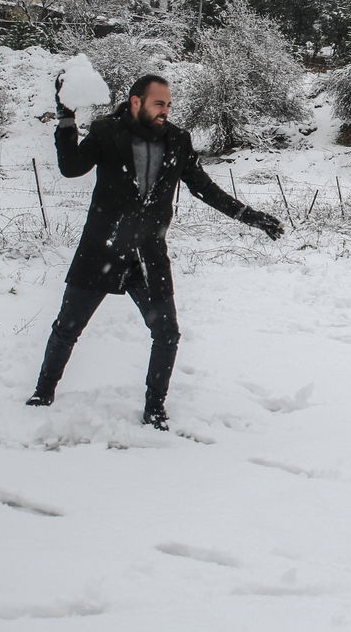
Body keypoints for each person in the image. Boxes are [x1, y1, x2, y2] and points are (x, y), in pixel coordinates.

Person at [25, 74, 286, 430]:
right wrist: (66, 118)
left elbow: (202, 187)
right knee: (67, 327)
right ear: (136, 101)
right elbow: (71, 168)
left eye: (168, 105)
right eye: (158, 103)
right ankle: (43, 392)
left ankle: (155, 408)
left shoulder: (178, 140)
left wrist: (249, 216)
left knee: (167, 333)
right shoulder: (106, 131)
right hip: (101, 248)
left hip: (148, 254)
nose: (165, 111)